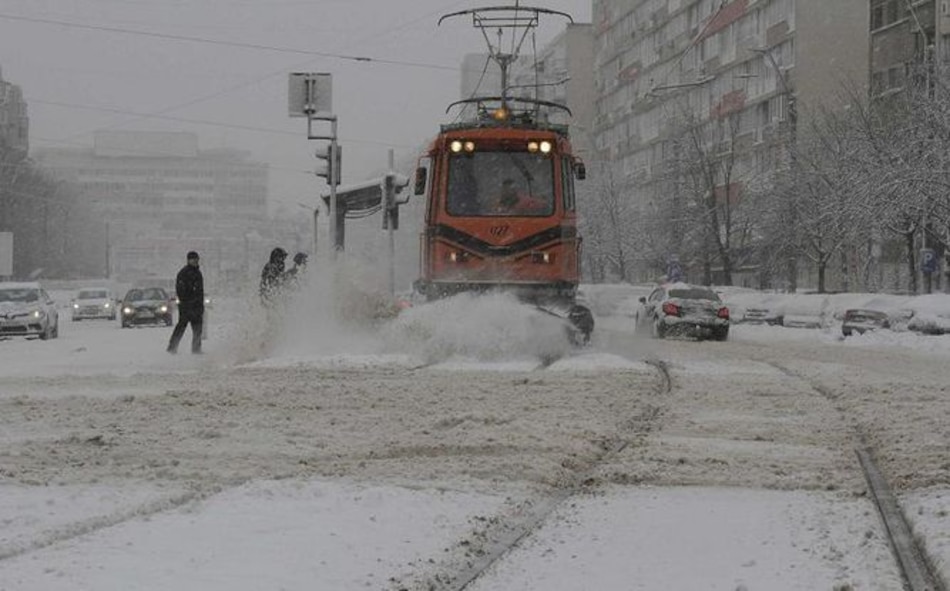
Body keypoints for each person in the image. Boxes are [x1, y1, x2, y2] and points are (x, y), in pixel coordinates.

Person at [167, 250, 204, 354]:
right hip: (186, 307)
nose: (195, 261)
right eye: (193, 259)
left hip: (197, 306)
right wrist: (187, 303)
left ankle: (196, 349)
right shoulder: (183, 273)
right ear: (188, 260)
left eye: (196, 259)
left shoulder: (198, 273)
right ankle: (172, 347)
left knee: (197, 330)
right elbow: (181, 291)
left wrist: (200, 305)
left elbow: (200, 291)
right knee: (181, 327)